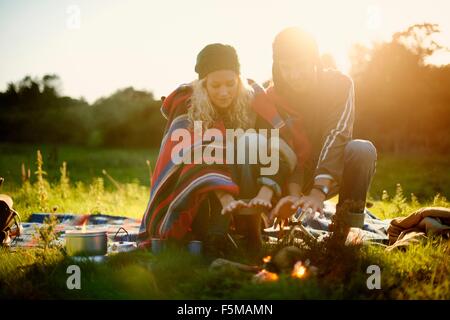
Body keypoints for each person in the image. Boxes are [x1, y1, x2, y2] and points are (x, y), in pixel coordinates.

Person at [138, 43, 296, 257]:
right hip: (203, 194)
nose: (224, 92)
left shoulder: (252, 99)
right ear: (203, 85)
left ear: (238, 80)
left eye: (230, 84)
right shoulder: (187, 103)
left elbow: (278, 147)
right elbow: (193, 155)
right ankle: (214, 236)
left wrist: (265, 193)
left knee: (250, 141)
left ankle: (251, 230)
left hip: (249, 184)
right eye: (216, 85)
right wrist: (225, 198)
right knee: (204, 157)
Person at [268, 27, 377, 229]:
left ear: (314, 61)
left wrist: (318, 191)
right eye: (286, 67)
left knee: (362, 150)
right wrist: (293, 195)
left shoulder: (340, 85)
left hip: (329, 169)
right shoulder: (273, 96)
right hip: (291, 175)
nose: (295, 75)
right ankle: (281, 218)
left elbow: (338, 134)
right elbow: (280, 149)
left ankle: (346, 227)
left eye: (301, 65)